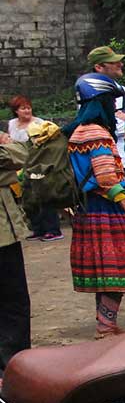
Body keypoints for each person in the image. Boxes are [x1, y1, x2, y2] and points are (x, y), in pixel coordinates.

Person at [66, 73, 125, 338]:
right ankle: (105, 326)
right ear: (102, 103)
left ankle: (105, 323)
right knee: (115, 271)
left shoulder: (76, 131)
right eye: (111, 102)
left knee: (104, 273)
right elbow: (105, 176)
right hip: (105, 208)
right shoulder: (98, 134)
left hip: (87, 209)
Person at [7, 95, 63, 241]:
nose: (27, 111)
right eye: (23, 108)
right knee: (27, 197)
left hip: (38, 164)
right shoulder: (12, 124)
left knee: (44, 195)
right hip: (20, 166)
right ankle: (37, 228)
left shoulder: (40, 123)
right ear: (16, 111)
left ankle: (52, 229)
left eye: (28, 107)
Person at [0, 130, 32, 371]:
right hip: (3, 236)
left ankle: (17, 361)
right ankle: (13, 362)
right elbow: (18, 156)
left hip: (8, 233)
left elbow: (19, 159)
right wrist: (9, 146)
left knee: (14, 300)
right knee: (13, 299)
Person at [86, 46, 125, 171]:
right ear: (99, 67)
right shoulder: (89, 95)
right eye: (113, 62)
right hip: (110, 166)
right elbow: (100, 130)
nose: (120, 64)